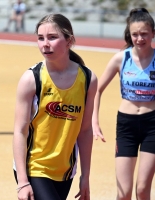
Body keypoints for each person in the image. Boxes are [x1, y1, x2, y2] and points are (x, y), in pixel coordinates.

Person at [92, 8, 155, 200]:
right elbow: (96, 90)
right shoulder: (121, 58)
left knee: (142, 190)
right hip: (126, 126)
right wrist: (94, 122)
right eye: (135, 34)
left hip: (153, 125)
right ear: (129, 35)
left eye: (144, 34)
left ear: (153, 33)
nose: (139, 38)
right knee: (123, 194)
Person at [13, 13, 97, 200]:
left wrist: (85, 176)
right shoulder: (31, 79)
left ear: (69, 41)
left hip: (65, 171)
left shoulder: (88, 79)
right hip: (34, 167)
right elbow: (20, 130)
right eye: (40, 38)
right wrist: (22, 181)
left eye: (52, 37)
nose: (45, 44)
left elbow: (84, 131)